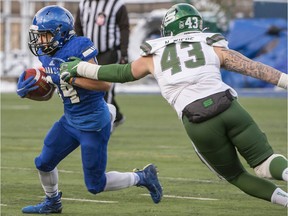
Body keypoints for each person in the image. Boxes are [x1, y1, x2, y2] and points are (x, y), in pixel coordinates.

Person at [60, 3, 288, 207]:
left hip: (198, 119)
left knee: (237, 175)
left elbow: (121, 72)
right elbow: (255, 68)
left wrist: (80, 68)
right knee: (266, 163)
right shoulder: (211, 45)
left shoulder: (154, 54)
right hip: (229, 106)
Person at [16, 5, 162, 214]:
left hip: (92, 124)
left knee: (95, 185)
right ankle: (52, 202)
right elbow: (51, 91)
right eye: (38, 36)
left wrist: (72, 77)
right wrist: (32, 90)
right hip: (69, 120)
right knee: (43, 163)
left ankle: (143, 177)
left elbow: (104, 85)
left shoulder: (79, 46)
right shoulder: (45, 54)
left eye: (44, 36)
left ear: (60, 32)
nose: (39, 41)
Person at [74, 0, 129, 130]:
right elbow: (78, 28)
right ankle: (118, 117)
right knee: (90, 88)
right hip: (88, 54)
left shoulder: (116, 4)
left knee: (105, 88)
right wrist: (76, 50)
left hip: (108, 52)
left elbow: (124, 28)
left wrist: (124, 53)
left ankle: (105, 126)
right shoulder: (83, 4)